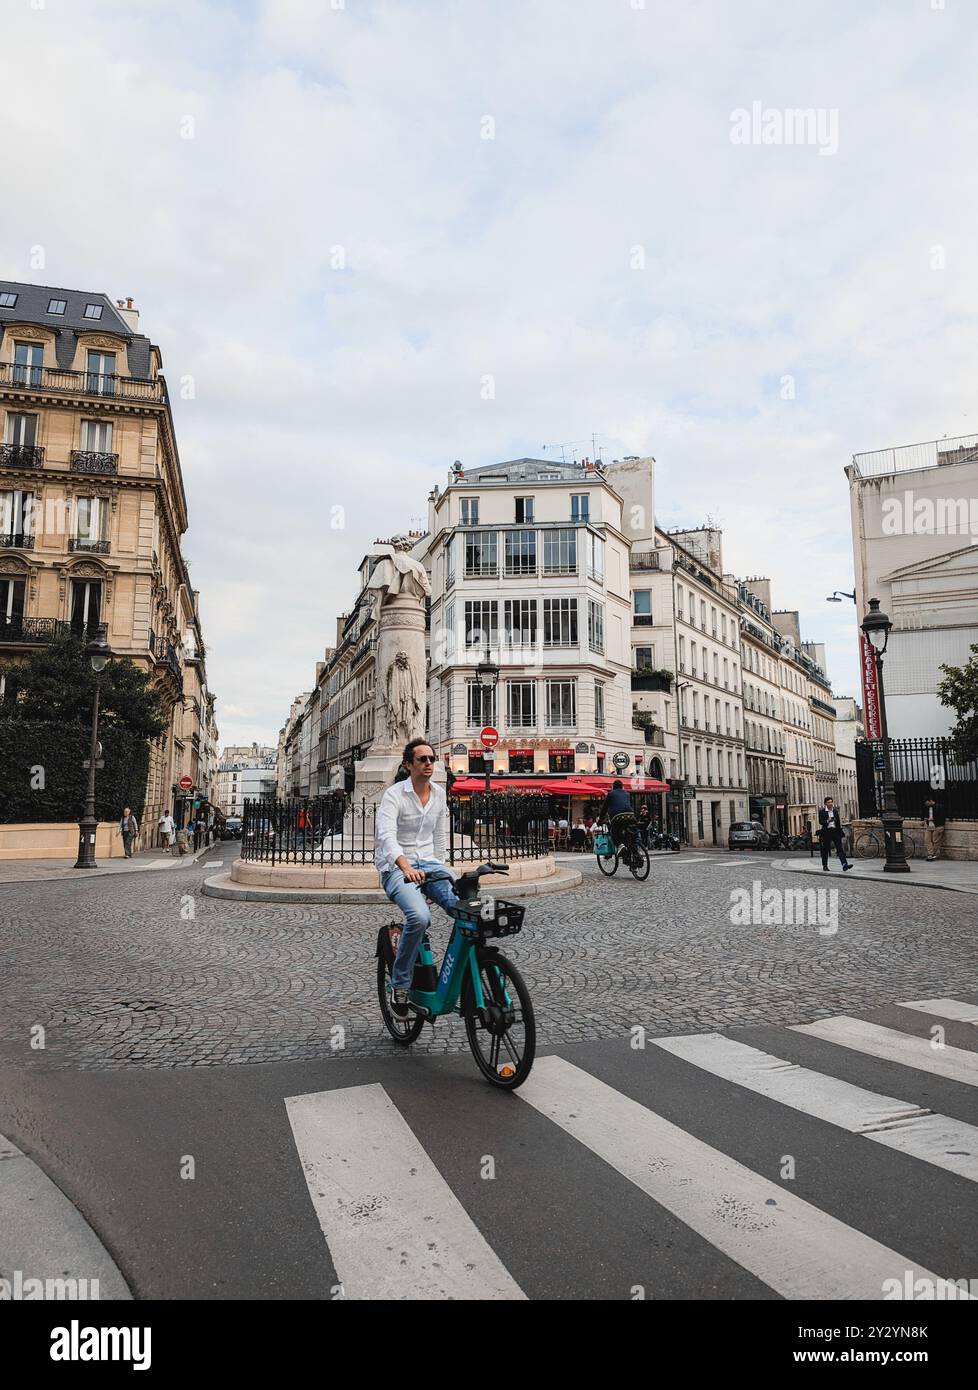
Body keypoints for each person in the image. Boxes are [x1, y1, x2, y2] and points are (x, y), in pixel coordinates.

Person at [375, 737, 460, 1019]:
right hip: (398, 868)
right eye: (422, 759)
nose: (428, 763)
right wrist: (404, 866)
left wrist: (446, 873)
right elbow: (386, 835)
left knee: (463, 907)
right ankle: (400, 984)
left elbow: (439, 839)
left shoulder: (437, 794)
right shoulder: (394, 795)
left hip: (430, 864)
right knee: (420, 918)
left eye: (431, 759)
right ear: (408, 765)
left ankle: (462, 972)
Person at [597, 779, 636, 851]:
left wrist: (600, 819)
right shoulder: (627, 794)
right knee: (629, 831)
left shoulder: (611, 794)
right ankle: (633, 849)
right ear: (622, 786)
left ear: (613, 786)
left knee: (614, 832)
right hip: (630, 815)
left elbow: (604, 808)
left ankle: (620, 845)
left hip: (618, 816)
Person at [818, 796, 852, 872]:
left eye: (831, 802)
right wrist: (828, 821)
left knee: (840, 849)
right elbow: (820, 822)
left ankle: (844, 865)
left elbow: (838, 823)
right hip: (827, 832)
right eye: (829, 802)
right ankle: (825, 866)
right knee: (825, 850)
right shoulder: (822, 812)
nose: (830, 804)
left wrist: (840, 833)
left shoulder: (835, 811)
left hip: (835, 831)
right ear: (825, 803)